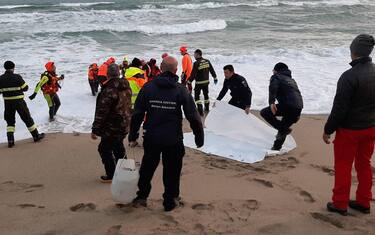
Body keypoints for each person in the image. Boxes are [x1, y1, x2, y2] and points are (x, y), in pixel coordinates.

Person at [128, 56, 204, 212]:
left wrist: (133, 133)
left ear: (161, 68)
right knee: (172, 172)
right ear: (176, 70)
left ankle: (142, 196)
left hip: (152, 137)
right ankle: (170, 201)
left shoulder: (148, 87)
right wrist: (199, 136)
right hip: (173, 138)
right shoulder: (180, 89)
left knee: (147, 169)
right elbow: (193, 115)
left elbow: (138, 113)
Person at [323, 34, 375, 216]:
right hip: (370, 127)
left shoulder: (349, 76)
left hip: (350, 130)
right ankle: (363, 201)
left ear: (353, 51)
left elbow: (339, 109)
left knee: (344, 166)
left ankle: (340, 203)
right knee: (364, 164)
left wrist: (328, 130)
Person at [91, 63, 132, 183]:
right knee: (118, 146)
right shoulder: (126, 86)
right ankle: (125, 171)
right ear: (118, 73)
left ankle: (112, 174)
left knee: (104, 148)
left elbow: (101, 112)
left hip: (112, 126)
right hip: (125, 123)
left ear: (107, 75)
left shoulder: (109, 90)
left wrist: (95, 130)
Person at [0, 61, 45, 147]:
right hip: (19, 102)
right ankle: (36, 136)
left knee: (10, 121)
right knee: (27, 118)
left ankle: (10, 140)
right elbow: (25, 88)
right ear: (13, 67)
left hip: (7, 103)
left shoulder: (0, 78)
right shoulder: (17, 77)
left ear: (5, 68)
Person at [260, 62, 303, 151]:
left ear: (276, 70)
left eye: (273, 70)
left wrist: (271, 102)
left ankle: (284, 130)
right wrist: (298, 112)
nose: (272, 72)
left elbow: (273, 88)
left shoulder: (276, 76)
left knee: (264, 112)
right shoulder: (292, 80)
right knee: (283, 126)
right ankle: (276, 148)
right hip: (298, 107)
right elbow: (298, 95)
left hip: (288, 105)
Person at [188, 49, 218, 116]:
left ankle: (200, 111)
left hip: (199, 83)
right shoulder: (207, 61)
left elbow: (193, 74)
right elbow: (212, 70)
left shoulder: (196, 63)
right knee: (206, 95)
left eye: (194, 54)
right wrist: (215, 77)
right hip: (206, 82)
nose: (194, 56)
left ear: (197, 55)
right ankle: (207, 109)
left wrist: (189, 81)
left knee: (196, 97)